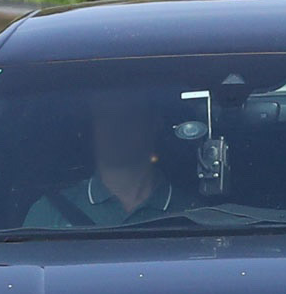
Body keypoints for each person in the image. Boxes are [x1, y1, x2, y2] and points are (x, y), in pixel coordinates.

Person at [24, 92, 185, 228]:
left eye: (128, 116)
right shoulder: (48, 214)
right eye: (104, 117)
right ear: (91, 128)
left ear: (155, 124)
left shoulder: (193, 215)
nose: (115, 127)